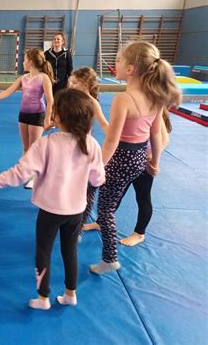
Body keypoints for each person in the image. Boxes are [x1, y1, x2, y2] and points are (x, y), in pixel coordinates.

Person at [0, 88, 105, 310]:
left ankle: (43, 298)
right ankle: (70, 294)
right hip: (76, 210)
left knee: (43, 252)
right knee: (70, 251)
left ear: (56, 114)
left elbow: (20, 173)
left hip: (50, 210)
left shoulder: (47, 143)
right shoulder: (91, 144)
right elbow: (98, 180)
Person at [84, 41, 181, 274]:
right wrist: (154, 162)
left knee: (105, 207)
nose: (114, 64)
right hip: (138, 159)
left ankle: (109, 259)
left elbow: (112, 141)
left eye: (118, 60)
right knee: (93, 190)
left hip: (121, 157)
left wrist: (97, 165)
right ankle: (78, 226)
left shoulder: (124, 99)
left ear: (130, 69)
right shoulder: (156, 97)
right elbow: (155, 135)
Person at [82, 109, 172, 247]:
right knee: (116, 194)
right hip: (128, 160)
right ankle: (101, 222)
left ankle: (139, 233)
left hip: (144, 163)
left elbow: (164, 139)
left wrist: (152, 158)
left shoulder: (154, 110)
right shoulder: (136, 108)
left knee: (143, 197)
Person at [0, 48, 54, 189]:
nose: (23, 61)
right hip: (23, 114)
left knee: (35, 148)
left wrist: (47, 119)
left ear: (31, 62)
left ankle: (35, 176)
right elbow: (9, 91)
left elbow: (50, 100)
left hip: (37, 115)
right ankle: (26, 172)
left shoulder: (43, 78)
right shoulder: (23, 78)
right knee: (26, 147)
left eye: (25, 59)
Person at [68, 67, 109, 134]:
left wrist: (112, 140)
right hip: (67, 138)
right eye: (70, 82)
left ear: (85, 85)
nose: (70, 85)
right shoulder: (69, 99)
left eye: (74, 83)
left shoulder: (92, 102)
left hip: (82, 140)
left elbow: (104, 124)